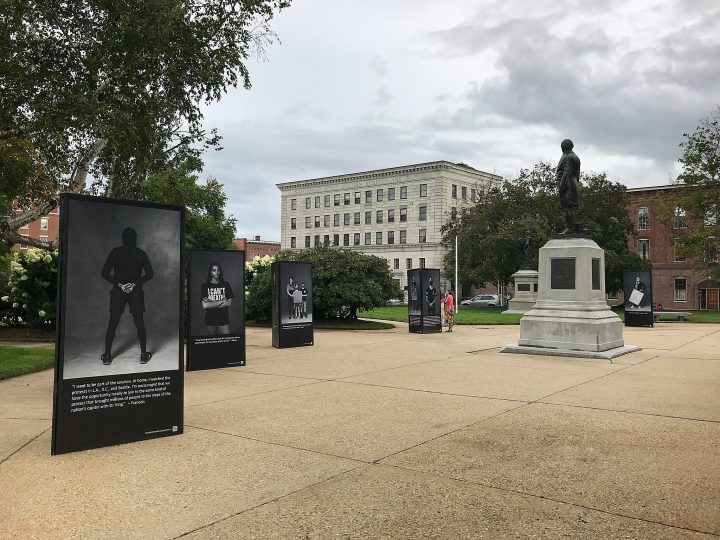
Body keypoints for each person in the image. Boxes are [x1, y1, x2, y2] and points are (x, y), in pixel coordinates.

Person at [100, 227, 154, 365]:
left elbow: (104, 273)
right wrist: (134, 284)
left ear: (123, 239)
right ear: (135, 239)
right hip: (135, 291)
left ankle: (107, 355)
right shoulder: (141, 253)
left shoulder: (115, 252)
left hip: (118, 291)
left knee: (113, 322)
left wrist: (120, 285)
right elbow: (149, 274)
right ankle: (143, 354)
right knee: (139, 322)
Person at [555, 139, 581, 233]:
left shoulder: (567, 157)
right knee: (570, 207)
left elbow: (566, 172)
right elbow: (577, 173)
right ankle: (573, 226)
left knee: (567, 207)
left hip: (567, 185)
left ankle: (570, 228)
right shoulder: (575, 157)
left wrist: (561, 187)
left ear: (563, 147)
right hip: (573, 183)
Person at [201, 262, 234, 334]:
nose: (216, 272)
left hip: (224, 317)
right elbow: (205, 305)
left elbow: (229, 302)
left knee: (226, 341)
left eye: (218, 270)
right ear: (210, 272)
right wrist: (221, 301)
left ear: (220, 271)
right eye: (214, 270)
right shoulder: (205, 286)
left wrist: (211, 304)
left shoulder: (226, 284)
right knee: (212, 341)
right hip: (210, 318)